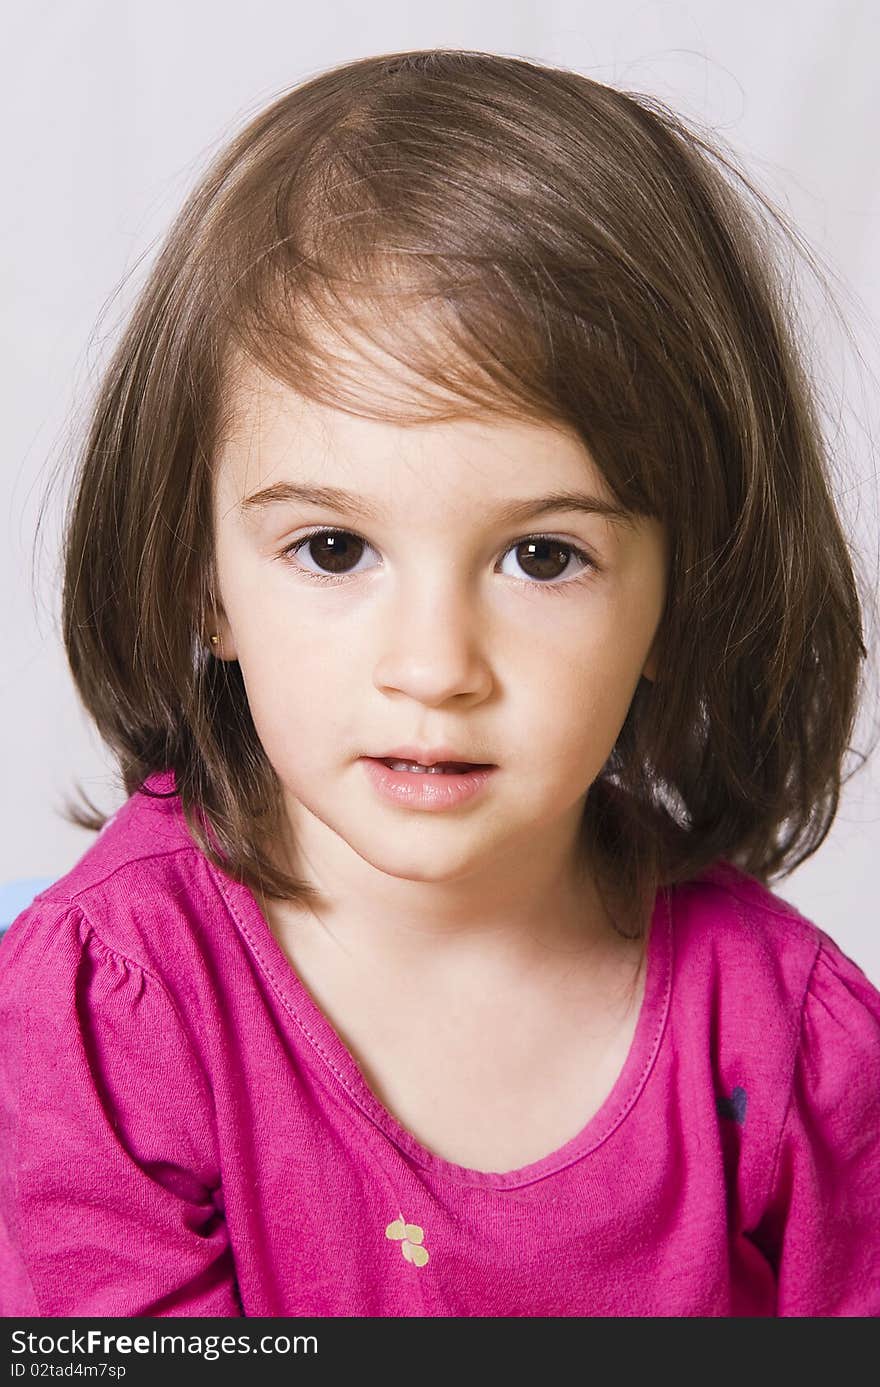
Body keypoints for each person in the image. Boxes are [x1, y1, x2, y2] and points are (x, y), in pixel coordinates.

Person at [1, 47, 878, 1319]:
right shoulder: (110, 1006)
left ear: (679, 600)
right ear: (205, 583)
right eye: (333, 548)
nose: (432, 668)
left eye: (542, 555)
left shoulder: (790, 1045)